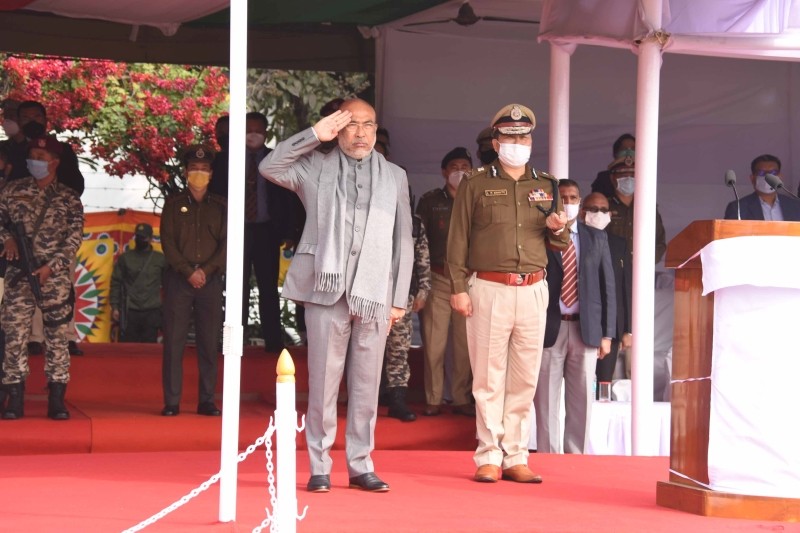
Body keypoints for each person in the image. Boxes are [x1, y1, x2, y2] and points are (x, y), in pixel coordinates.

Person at [259, 98, 412, 493]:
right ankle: (319, 465)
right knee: (323, 383)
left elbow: (403, 240)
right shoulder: (314, 167)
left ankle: (361, 464)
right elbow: (269, 166)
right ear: (337, 129)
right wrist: (314, 136)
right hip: (326, 290)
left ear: (376, 130)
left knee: (366, 384)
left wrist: (398, 297)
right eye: (351, 125)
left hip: (375, 291)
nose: (360, 133)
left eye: (368, 124)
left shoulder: (395, 175)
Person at [447, 104, 569, 484]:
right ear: (496, 142)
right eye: (511, 137)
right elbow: (458, 239)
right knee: (487, 375)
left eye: (524, 137)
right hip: (488, 287)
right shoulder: (476, 183)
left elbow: (559, 242)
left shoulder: (546, 184)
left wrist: (558, 227)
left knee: (524, 376)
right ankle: (488, 454)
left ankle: (516, 454)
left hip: (533, 288)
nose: (518, 143)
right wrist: (457, 288)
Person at [0, 135, 84, 420]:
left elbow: (73, 240)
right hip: (18, 277)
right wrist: (6, 240)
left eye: (42, 156)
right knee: (15, 336)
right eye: (33, 154)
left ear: (55, 163)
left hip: (54, 279)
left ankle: (57, 398)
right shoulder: (12, 191)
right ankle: (14, 398)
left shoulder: (68, 198)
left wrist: (51, 267)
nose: (36, 160)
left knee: (57, 338)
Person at [534, 180, 616, 454]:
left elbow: (608, 288)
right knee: (546, 400)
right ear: (555, 203)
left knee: (582, 400)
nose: (568, 202)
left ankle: (575, 457)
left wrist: (607, 334)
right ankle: (548, 455)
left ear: (580, 204)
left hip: (586, 329)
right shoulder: (541, 237)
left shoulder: (597, 237)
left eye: (573, 198)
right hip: (549, 328)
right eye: (564, 198)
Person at [159, 146, 226, 417]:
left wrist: (206, 271)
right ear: (186, 173)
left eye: (204, 170)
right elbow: (167, 242)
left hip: (209, 281)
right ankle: (172, 401)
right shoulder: (173, 204)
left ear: (211, 174)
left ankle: (207, 399)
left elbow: (227, 244)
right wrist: (188, 271)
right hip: (179, 279)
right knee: (173, 342)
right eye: (194, 170)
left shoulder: (221, 206)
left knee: (209, 342)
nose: (199, 174)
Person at [415, 146, 474, 417]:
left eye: (465, 166)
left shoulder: (478, 198)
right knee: (433, 344)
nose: (460, 172)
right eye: (454, 167)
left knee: (465, 346)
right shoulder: (429, 201)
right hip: (437, 278)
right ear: (443, 172)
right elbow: (418, 242)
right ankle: (434, 398)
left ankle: (461, 397)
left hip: (468, 280)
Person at [241, 111, 303, 352]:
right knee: (239, 287)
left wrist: (289, 232)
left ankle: (273, 342)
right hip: (239, 230)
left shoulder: (275, 159)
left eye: (257, 129)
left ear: (265, 132)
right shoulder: (231, 158)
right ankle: (238, 339)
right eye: (248, 129)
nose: (253, 134)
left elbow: (288, 198)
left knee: (268, 288)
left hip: (267, 231)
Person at [384, 196, 430, 422]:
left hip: (402, 294)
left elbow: (423, 259)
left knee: (399, 347)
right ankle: (363, 399)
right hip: (368, 294)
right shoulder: (366, 215)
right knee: (363, 348)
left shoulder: (414, 224)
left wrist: (423, 290)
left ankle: (397, 400)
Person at [582, 192, 632, 387]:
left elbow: (625, 287)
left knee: (604, 383)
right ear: (582, 213)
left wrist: (628, 328)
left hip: (610, 326)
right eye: (593, 209)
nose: (599, 214)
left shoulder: (619, 244)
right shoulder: (573, 240)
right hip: (580, 323)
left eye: (603, 210)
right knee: (578, 383)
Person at [109, 223, 167, 342]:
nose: (140, 240)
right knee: (127, 351)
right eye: (138, 237)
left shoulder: (160, 259)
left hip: (152, 311)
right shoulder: (125, 258)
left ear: (151, 239)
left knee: (149, 351)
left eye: (143, 237)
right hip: (130, 311)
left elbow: (169, 285)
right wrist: (115, 307)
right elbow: (116, 283)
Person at [606, 156, 667, 263]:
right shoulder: (605, 206)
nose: (629, 178)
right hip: (612, 270)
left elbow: (659, 242)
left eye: (633, 175)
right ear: (612, 177)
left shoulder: (648, 207)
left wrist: (645, 263)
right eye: (623, 174)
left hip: (641, 271)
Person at [724, 154, 800, 221]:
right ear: (752, 178)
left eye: (773, 172)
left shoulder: (796, 206)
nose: (767, 176)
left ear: (780, 177)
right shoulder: (738, 208)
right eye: (761, 173)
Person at [591, 133, 635, 198]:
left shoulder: (645, 176)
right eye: (624, 149)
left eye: (633, 149)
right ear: (615, 154)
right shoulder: (603, 177)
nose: (628, 152)